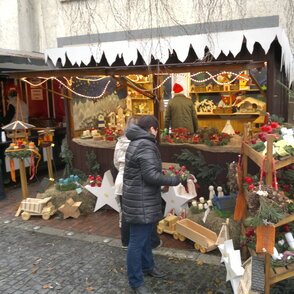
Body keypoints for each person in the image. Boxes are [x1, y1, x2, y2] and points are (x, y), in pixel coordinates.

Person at [122, 115, 180, 294]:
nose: (157, 133)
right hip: (141, 200)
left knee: (146, 237)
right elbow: (151, 176)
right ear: (152, 129)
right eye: (157, 129)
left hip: (140, 197)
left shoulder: (138, 141)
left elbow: (145, 170)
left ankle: (148, 267)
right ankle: (136, 282)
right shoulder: (145, 144)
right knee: (137, 241)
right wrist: (175, 179)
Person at [113, 117, 162, 250]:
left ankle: (125, 242)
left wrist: (123, 171)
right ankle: (150, 242)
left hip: (121, 181)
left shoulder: (120, 142)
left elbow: (116, 162)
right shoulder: (142, 142)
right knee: (144, 215)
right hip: (135, 183)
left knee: (125, 214)